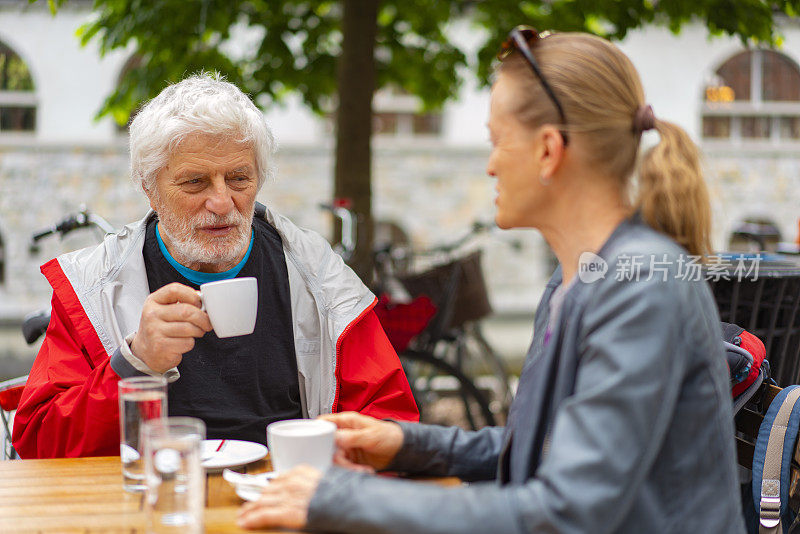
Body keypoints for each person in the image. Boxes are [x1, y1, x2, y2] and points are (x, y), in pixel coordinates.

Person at [236, 28, 746, 533]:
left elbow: (565, 513)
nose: (490, 165)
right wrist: (407, 444)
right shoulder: (575, 280)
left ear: (549, 150)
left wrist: (340, 497)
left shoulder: (638, 288)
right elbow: (540, 447)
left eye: (498, 141)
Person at [12, 74, 418, 459]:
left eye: (239, 178)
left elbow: (389, 418)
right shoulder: (94, 286)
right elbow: (40, 441)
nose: (222, 202)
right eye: (195, 183)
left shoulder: (319, 276)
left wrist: (325, 464)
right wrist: (134, 362)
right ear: (149, 189)